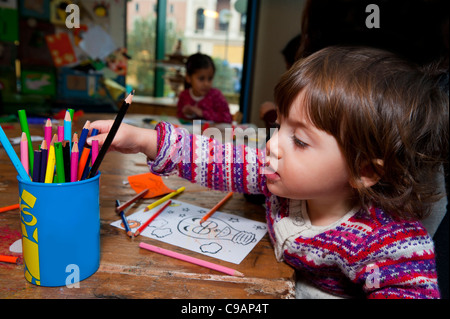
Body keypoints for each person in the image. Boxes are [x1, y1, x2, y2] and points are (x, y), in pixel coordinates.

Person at [88, 46, 448, 298]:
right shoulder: (279, 175)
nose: (273, 145)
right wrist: (144, 139)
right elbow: (213, 156)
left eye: (300, 141)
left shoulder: (391, 243)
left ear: (364, 170)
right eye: (279, 127)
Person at [176, 53, 232, 123]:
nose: (206, 84)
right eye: (201, 79)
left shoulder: (216, 96)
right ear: (188, 78)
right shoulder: (184, 96)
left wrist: (203, 113)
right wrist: (187, 114)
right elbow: (179, 119)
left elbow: (228, 118)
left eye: (210, 79)